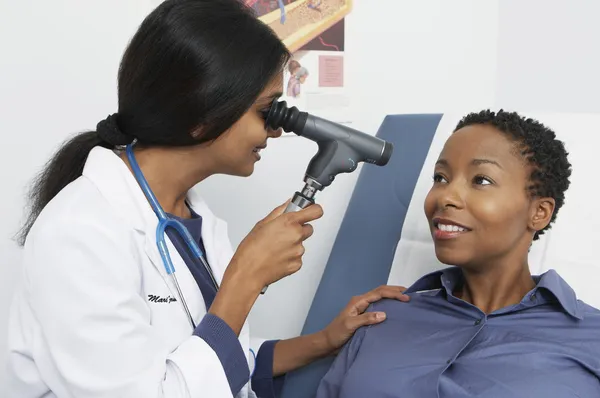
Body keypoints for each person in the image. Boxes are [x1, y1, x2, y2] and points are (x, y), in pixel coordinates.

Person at [5, 1, 410, 397]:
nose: (276, 131)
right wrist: (246, 277)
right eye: (267, 111)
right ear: (202, 115)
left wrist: (324, 340)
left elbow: (217, 356)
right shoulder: (80, 233)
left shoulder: (188, 216)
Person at [315, 110, 600, 397]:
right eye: (440, 177)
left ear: (539, 212)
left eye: (482, 180)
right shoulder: (380, 318)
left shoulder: (591, 337)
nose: (445, 196)